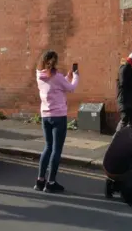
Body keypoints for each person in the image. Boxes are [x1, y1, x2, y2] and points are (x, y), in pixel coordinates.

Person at [34, 50, 79, 193]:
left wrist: (67, 76)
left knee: (48, 147)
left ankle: (40, 181)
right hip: (58, 116)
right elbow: (70, 88)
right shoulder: (57, 77)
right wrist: (75, 76)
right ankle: (51, 183)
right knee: (56, 150)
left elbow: (57, 85)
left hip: (45, 116)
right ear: (55, 62)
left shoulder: (39, 75)